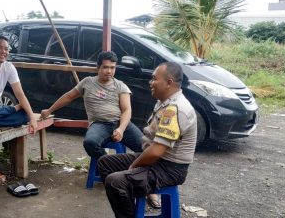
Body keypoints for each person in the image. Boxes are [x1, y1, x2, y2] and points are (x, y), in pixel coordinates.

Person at [97, 62, 197, 218]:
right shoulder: (164, 102)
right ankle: (129, 210)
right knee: (105, 162)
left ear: (169, 82)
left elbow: (156, 151)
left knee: (115, 182)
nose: (150, 82)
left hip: (170, 169)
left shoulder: (176, 109)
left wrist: (133, 167)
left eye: (154, 79)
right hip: (158, 161)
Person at [40, 51, 143, 160]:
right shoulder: (87, 82)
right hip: (99, 125)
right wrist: (49, 110)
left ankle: (138, 172)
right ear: (98, 67)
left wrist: (121, 129)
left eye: (112, 68)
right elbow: (68, 97)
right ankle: (110, 165)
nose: (109, 71)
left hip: (121, 124)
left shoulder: (121, 86)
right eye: (105, 67)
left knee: (146, 147)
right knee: (90, 143)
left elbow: (127, 110)